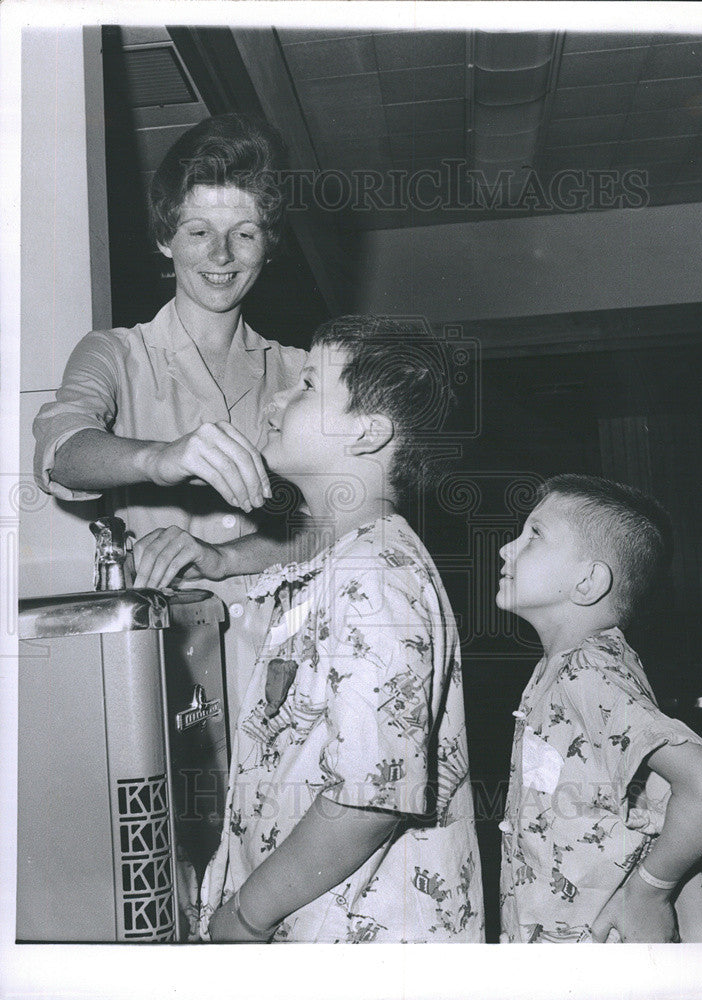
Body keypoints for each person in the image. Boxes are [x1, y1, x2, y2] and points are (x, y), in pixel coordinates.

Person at [197, 315, 484, 942]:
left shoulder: (374, 574)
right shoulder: (341, 561)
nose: (276, 396)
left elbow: (368, 799)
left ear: (366, 432)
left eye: (305, 386)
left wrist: (247, 913)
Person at [32, 113, 309, 718]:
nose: (221, 255)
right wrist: (158, 459)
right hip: (167, 676)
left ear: (268, 244)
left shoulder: (302, 373)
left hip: (292, 682)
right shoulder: (115, 353)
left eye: (244, 234)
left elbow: (348, 528)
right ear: (165, 239)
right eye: (197, 231)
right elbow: (60, 452)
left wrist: (226, 560)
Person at [495, 474, 702, 943]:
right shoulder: (566, 667)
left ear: (588, 581)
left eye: (535, 535)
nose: (508, 549)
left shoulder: (589, 671)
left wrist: (649, 893)